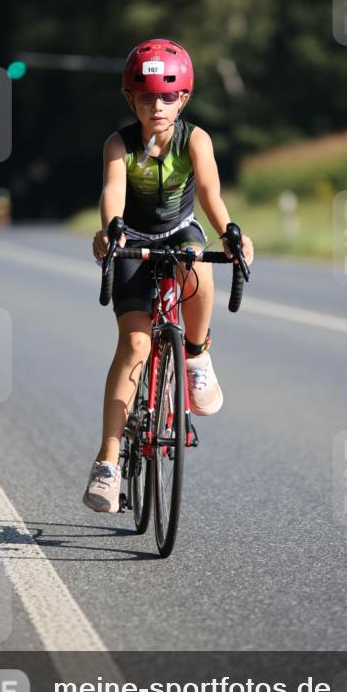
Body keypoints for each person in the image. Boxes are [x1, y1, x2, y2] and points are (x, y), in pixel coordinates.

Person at [84, 38, 254, 513]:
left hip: (180, 230)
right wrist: (111, 229)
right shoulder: (119, 144)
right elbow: (113, 192)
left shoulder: (194, 140)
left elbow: (210, 191)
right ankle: (108, 462)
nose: (156, 106)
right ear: (130, 99)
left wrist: (230, 232)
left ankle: (195, 355)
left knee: (195, 263)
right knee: (136, 345)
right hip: (132, 237)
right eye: (146, 97)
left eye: (167, 96)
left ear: (183, 98)